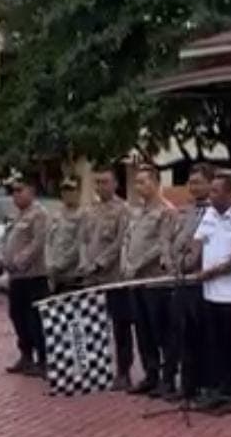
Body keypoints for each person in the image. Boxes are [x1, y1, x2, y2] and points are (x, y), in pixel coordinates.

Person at [192, 170, 231, 414]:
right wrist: (188, 261)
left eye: (215, 191)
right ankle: (219, 390)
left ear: (229, 193)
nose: (210, 195)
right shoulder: (210, 213)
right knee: (215, 345)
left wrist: (211, 272)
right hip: (211, 293)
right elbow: (198, 243)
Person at [120, 164, 175, 397]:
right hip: (135, 281)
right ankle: (150, 373)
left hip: (155, 281)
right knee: (142, 330)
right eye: (137, 182)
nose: (138, 186)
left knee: (160, 329)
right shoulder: (136, 212)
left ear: (155, 182)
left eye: (143, 181)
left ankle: (167, 377)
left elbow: (161, 245)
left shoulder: (166, 211)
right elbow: (127, 240)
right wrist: (125, 263)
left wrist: (137, 264)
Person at [78, 166, 131, 390]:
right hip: (91, 279)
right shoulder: (90, 211)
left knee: (121, 327)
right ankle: (96, 370)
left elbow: (120, 242)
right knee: (92, 326)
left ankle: (124, 372)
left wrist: (100, 263)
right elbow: (83, 240)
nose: (101, 186)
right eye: (97, 182)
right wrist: (84, 261)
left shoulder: (124, 210)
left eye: (105, 182)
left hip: (113, 277)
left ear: (116, 184)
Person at [165, 162, 214, 402]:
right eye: (190, 182)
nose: (193, 187)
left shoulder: (216, 212)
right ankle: (187, 386)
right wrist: (173, 262)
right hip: (182, 280)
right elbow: (173, 240)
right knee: (182, 334)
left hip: (203, 280)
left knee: (204, 336)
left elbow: (205, 247)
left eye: (198, 182)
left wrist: (187, 262)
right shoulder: (184, 211)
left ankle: (206, 385)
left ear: (210, 183)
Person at [0, 175, 50, 377]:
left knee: (35, 319)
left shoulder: (39, 214)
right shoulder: (17, 216)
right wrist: (3, 257)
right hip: (17, 278)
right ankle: (26, 355)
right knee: (17, 315)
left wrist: (20, 260)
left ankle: (43, 359)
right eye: (14, 191)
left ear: (31, 191)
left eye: (20, 190)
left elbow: (38, 243)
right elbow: (6, 239)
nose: (16, 195)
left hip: (34, 275)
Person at [46, 177, 84, 294]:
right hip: (54, 274)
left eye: (71, 190)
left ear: (78, 192)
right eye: (64, 191)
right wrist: (49, 264)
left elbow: (79, 243)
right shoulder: (55, 214)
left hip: (73, 274)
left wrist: (59, 265)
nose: (67, 194)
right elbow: (48, 241)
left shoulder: (84, 215)